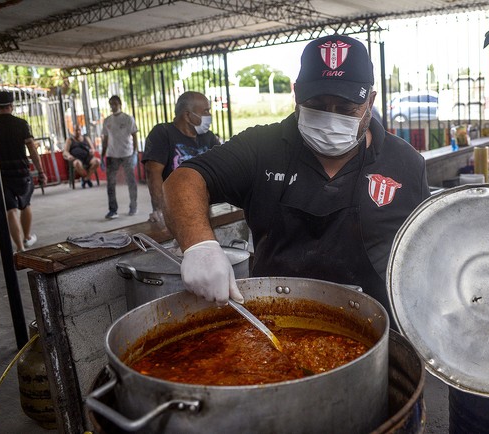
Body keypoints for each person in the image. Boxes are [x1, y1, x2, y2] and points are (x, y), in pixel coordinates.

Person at [163, 35, 431, 329]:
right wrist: (200, 245)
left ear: (370, 101)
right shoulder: (262, 147)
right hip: (273, 327)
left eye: (345, 109)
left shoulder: (406, 164)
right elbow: (184, 179)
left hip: (377, 334)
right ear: (296, 95)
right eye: (316, 104)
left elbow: (424, 257)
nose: (330, 118)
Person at [142, 91, 219, 224]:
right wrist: (161, 210)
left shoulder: (209, 137)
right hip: (176, 208)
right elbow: (153, 173)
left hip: (205, 206)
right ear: (188, 115)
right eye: (205, 111)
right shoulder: (163, 133)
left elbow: (220, 169)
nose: (209, 116)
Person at [0, 91, 48, 252]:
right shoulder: (21, 124)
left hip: (1, 174)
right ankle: (27, 237)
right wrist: (41, 171)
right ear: (11, 106)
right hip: (21, 172)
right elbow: (32, 149)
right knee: (25, 205)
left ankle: (20, 247)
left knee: (11, 210)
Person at [101, 95, 138, 219]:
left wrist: (135, 153)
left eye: (115, 103)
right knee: (110, 183)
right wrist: (102, 156)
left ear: (120, 104)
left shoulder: (128, 119)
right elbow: (105, 140)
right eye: (111, 103)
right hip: (112, 155)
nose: (113, 106)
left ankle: (133, 206)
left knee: (131, 182)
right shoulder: (107, 121)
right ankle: (113, 210)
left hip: (126, 154)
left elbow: (134, 136)